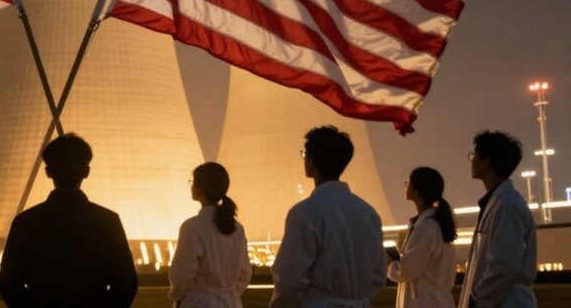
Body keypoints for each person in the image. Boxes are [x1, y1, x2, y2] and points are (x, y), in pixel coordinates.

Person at [0, 133, 138, 308]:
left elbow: (8, 282)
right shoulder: (107, 220)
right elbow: (126, 282)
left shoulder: (26, 222)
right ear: (86, 171)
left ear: (48, 172)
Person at [271, 126, 386, 308]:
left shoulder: (306, 213)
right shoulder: (369, 213)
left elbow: (290, 277)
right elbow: (379, 274)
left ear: (311, 160)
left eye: (305, 154)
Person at [458, 131, 537, 308]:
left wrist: (477, 299)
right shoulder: (499, 202)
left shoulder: (506, 205)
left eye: (474, 156)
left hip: (505, 301)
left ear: (486, 162)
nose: (472, 160)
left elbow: (504, 267)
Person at [169, 162, 251, 308]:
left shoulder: (192, 227)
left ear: (199, 189)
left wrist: (183, 296)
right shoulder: (237, 228)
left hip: (199, 302)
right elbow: (245, 274)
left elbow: (181, 275)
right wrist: (227, 293)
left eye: (193, 182)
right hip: (231, 303)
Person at [387, 167, 457, 308]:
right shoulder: (433, 224)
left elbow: (405, 271)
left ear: (417, 191)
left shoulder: (425, 229)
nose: (406, 186)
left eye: (409, 183)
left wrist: (388, 262)